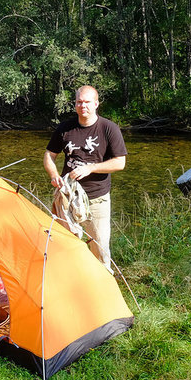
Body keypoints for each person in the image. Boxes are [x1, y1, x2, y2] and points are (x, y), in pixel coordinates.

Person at [43, 85, 127, 273]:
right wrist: (54, 175)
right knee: (65, 244)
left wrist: (91, 168)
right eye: (79, 102)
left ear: (96, 104)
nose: (83, 106)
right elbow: (49, 155)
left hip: (97, 198)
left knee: (99, 248)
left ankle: (103, 285)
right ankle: (71, 282)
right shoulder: (65, 128)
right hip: (68, 196)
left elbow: (120, 162)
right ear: (75, 104)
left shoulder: (108, 129)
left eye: (87, 102)